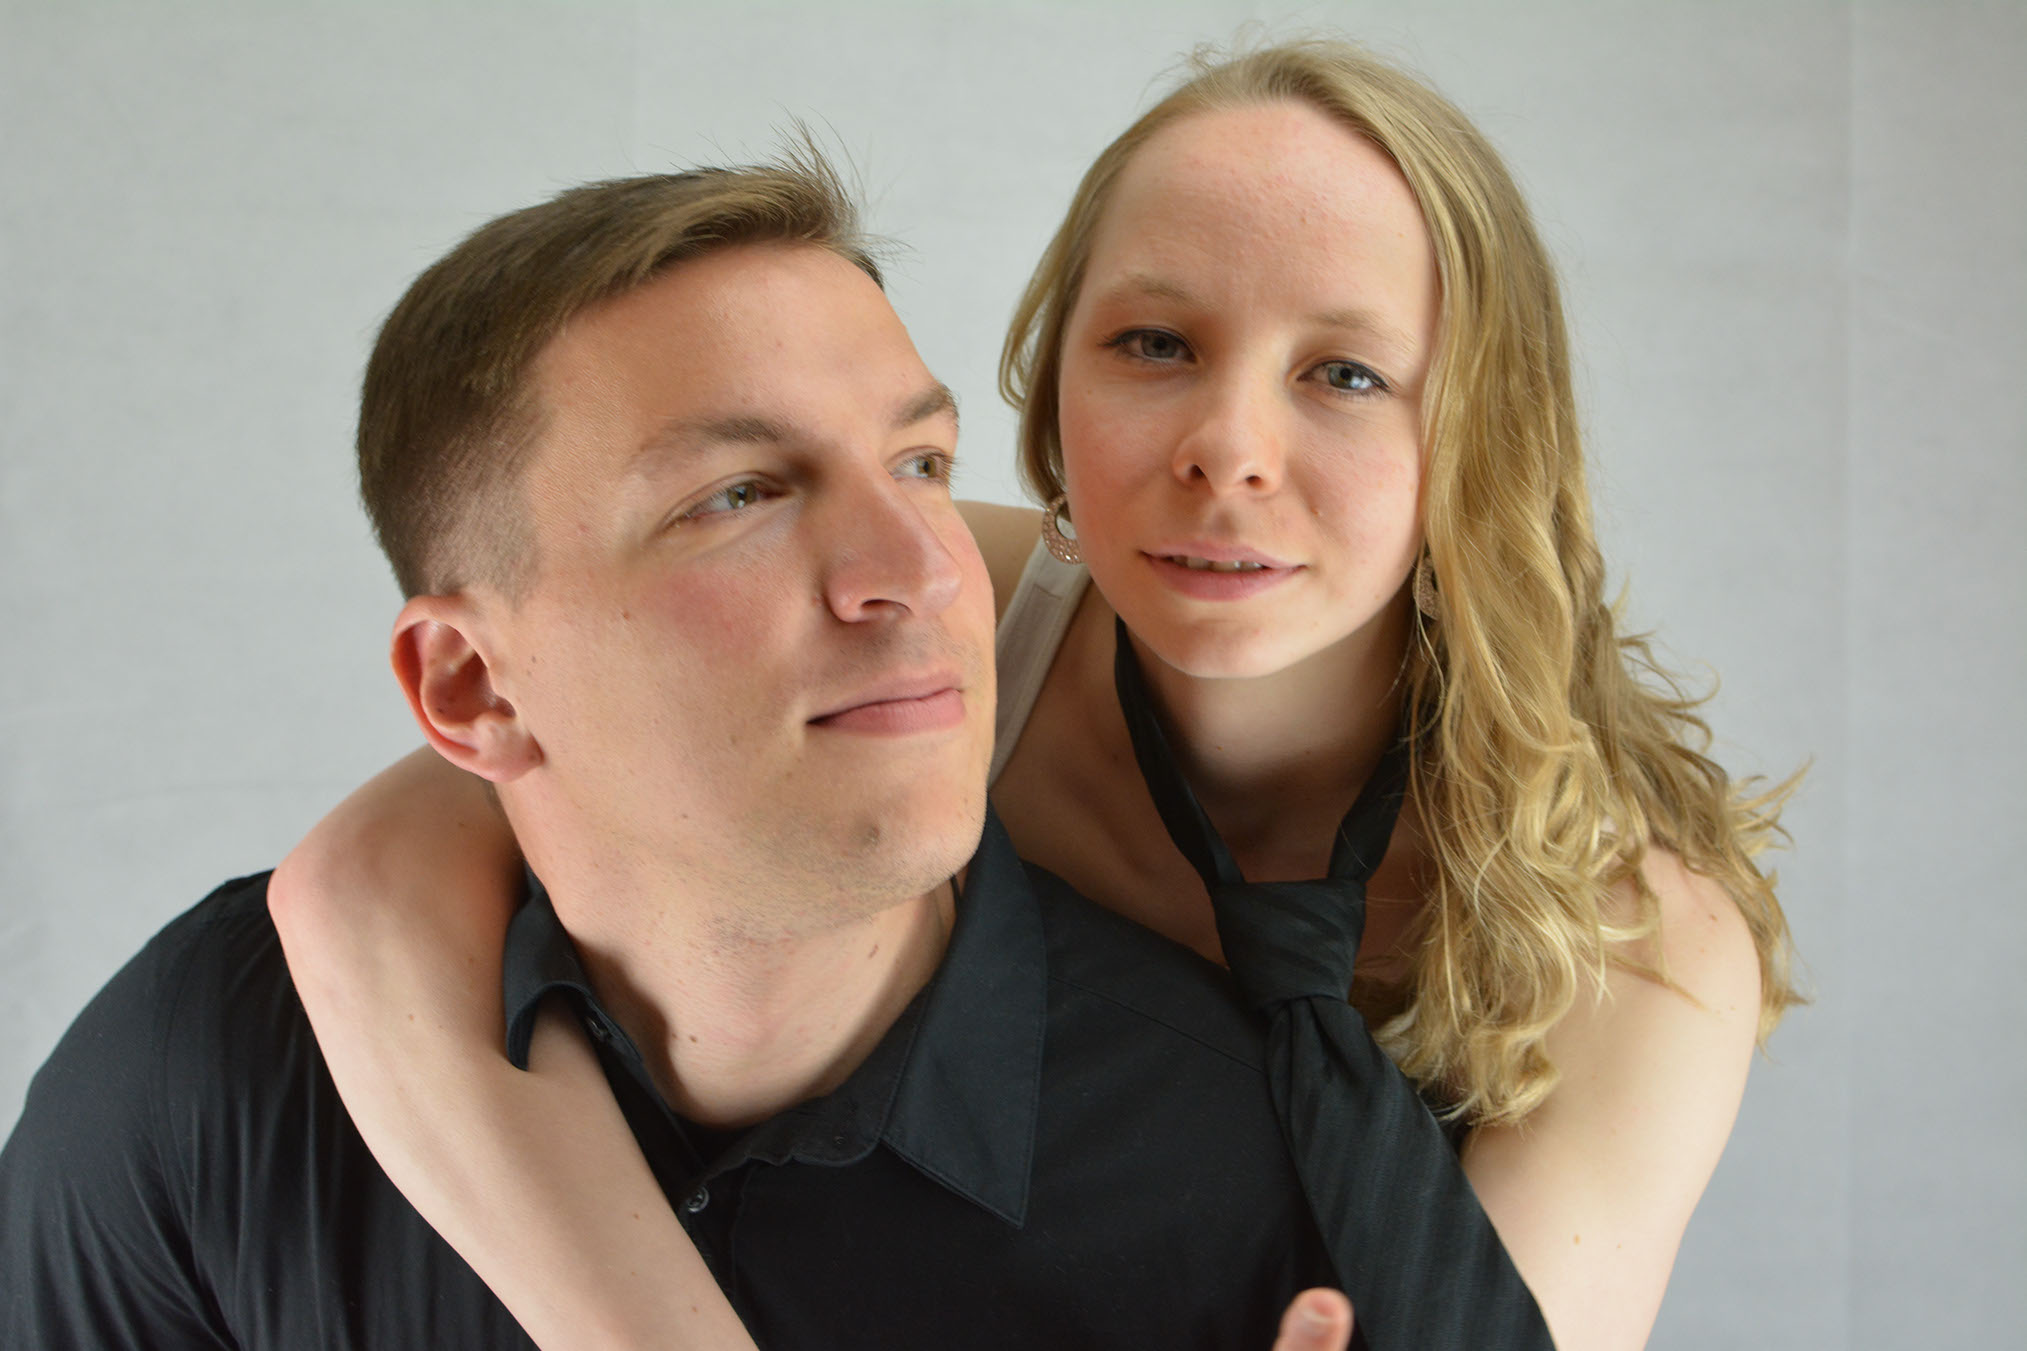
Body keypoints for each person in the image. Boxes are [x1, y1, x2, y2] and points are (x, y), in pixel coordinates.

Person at [269, 37, 1800, 1351]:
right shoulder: (950, 605)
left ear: (1477, 433)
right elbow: (364, 886)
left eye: (1344, 374)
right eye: (1155, 343)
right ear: (1053, 383)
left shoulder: (1635, 947)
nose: (1227, 450)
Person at [0, 154, 1380, 1350]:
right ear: (472, 686)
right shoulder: (209, 1079)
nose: (925, 570)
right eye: (740, 495)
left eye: (920, 464)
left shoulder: (1253, 1182)